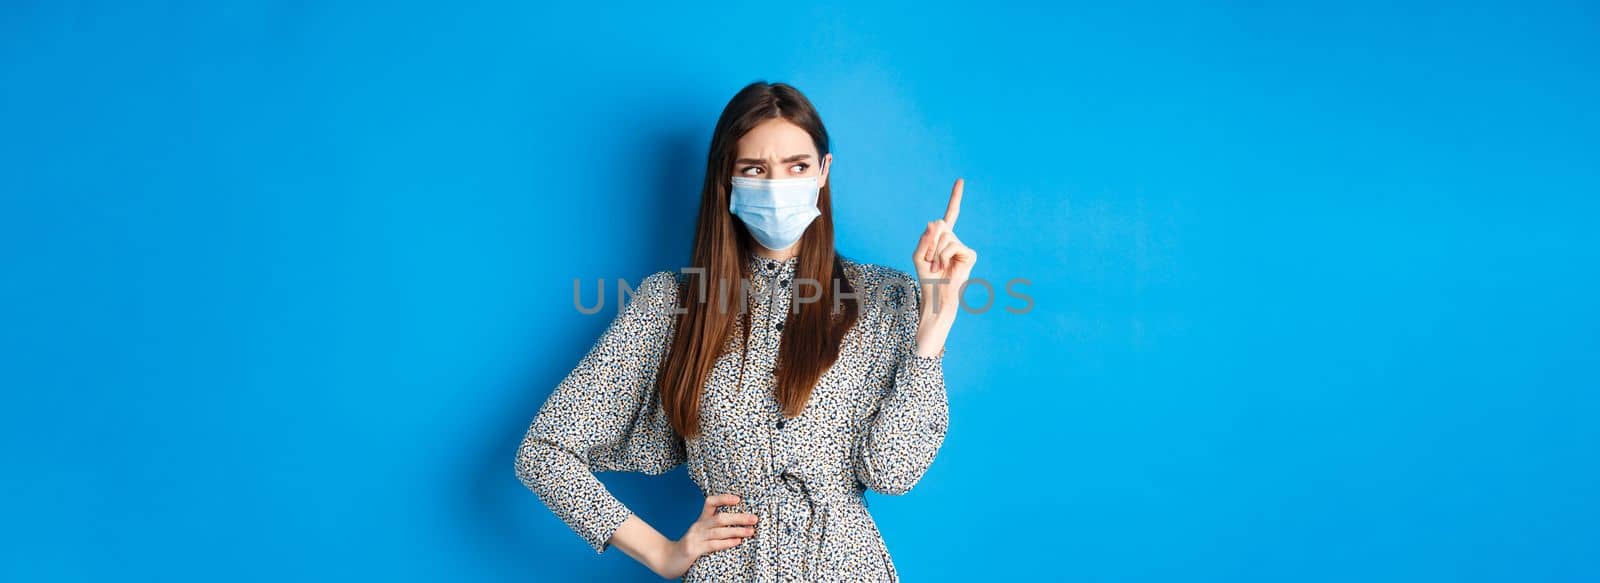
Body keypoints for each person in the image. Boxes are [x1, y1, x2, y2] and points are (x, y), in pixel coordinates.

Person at [515, 80, 977, 582]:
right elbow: (544, 453)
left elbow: (892, 473)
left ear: (823, 172)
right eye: (755, 169)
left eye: (797, 166)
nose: (778, 185)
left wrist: (933, 330)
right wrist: (662, 554)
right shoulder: (671, 303)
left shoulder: (888, 296)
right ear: (728, 179)